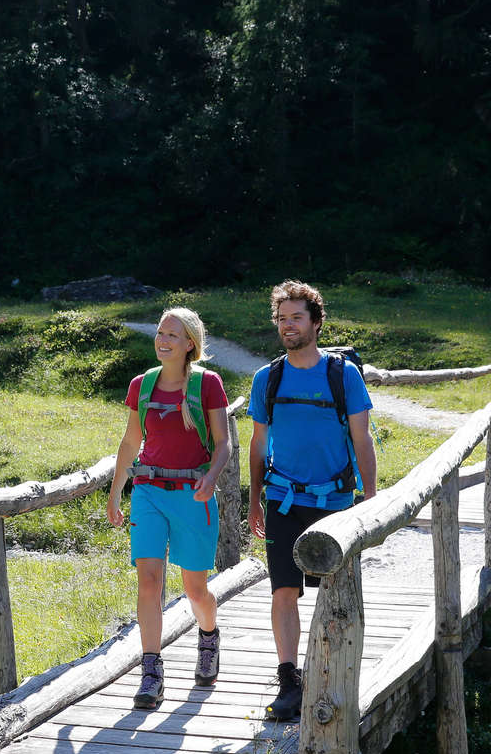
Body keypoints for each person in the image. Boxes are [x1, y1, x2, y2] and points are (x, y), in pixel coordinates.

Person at [247, 280, 378, 721]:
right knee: (283, 590)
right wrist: (254, 499)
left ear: (316, 322)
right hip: (283, 500)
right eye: (282, 319)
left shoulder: (343, 376)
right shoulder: (268, 379)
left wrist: (371, 499)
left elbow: (363, 440)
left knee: (332, 595)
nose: (288, 326)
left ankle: (329, 674)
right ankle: (289, 682)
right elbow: (258, 443)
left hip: (335, 501)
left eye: (296, 318)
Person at [107, 307, 231, 709]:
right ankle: (151, 670)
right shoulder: (141, 386)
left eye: (172, 335)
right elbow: (129, 443)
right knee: (149, 578)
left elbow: (223, 442)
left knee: (196, 590)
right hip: (148, 490)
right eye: (160, 333)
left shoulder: (207, 384)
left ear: (190, 344)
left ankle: (209, 636)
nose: (163, 340)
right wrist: (115, 492)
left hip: (193, 494)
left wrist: (211, 477)